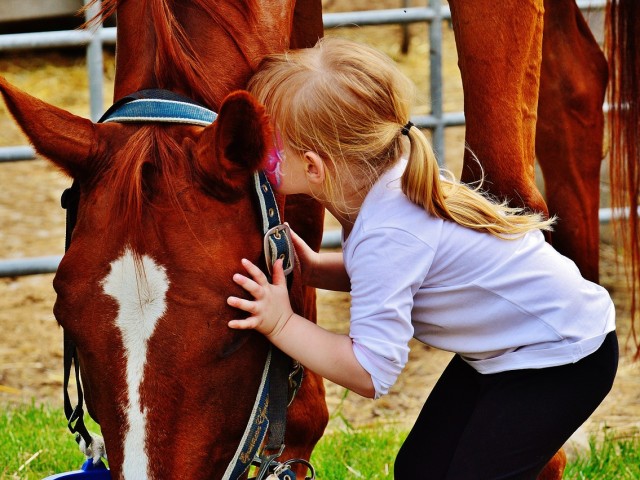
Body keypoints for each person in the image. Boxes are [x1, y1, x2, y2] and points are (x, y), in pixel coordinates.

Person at [226, 37, 618, 479]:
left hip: (562, 358)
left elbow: (371, 371)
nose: (256, 159)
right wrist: (317, 270)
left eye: (265, 148)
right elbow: (402, 276)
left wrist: (282, 324)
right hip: (519, 348)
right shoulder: (389, 183)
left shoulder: (388, 231)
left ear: (315, 167)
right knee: (420, 469)